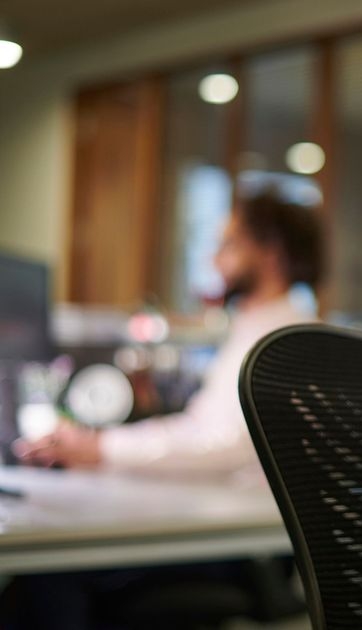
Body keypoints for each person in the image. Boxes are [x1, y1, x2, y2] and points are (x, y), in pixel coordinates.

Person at [14, 189, 322, 483]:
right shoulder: (255, 331)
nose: (214, 261)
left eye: (229, 245)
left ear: (272, 253)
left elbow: (228, 447)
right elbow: (198, 428)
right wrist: (96, 444)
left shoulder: (281, 342)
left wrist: (101, 448)